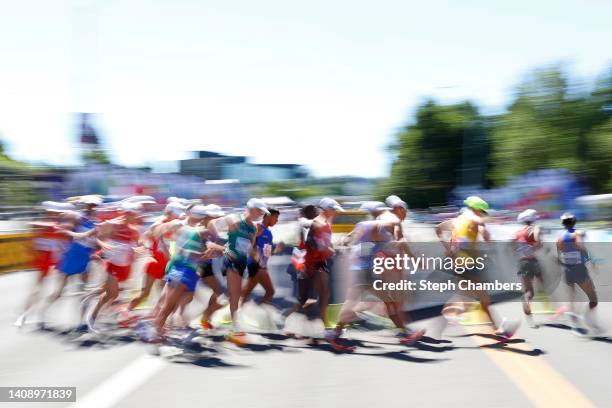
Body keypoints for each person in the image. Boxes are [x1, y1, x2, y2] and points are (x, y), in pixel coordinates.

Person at [329, 202, 424, 351]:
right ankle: (335, 335)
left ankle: (403, 333)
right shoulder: (377, 224)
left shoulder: (362, 225)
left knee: (387, 302)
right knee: (354, 302)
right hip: (363, 271)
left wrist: (346, 249)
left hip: (365, 270)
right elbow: (394, 230)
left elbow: (345, 240)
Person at [436, 196, 519, 338]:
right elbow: (484, 232)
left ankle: (443, 324)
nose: (482, 214)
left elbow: (438, 229)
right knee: (480, 297)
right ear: (476, 209)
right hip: (468, 263)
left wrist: (448, 248)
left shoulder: (456, 220)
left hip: (458, 263)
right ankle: (498, 328)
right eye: (481, 211)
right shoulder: (475, 218)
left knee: (473, 296)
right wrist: (490, 242)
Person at [206, 198, 269, 345]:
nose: (261, 215)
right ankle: (235, 329)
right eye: (260, 211)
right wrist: (217, 244)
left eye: (262, 213)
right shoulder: (234, 219)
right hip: (230, 262)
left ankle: (206, 317)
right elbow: (211, 224)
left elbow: (249, 248)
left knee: (229, 296)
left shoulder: (253, 228)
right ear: (252, 209)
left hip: (241, 263)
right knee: (235, 296)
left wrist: (258, 259)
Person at [14, 202, 74, 327]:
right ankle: (23, 315)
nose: (51, 215)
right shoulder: (43, 227)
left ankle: (43, 312)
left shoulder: (64, 226)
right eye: (49, 212)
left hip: (60, 261)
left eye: (54, 213)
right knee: (38, 289)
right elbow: (32, 234)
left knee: (59, 291)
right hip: (47, 261)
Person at [85, 202, 142, 332]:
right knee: (113, 294)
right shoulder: (113, 225)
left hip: (124, 265)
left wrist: (136, 250)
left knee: (110, 294)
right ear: (127, 214)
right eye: (133, 215)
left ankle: (95, 305)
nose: (136, 217)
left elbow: (137, 245)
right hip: (112, 263)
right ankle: (92, 317)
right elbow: (97, 237)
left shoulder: (134, 230)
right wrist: (102, 244)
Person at [556, 212, 603, 336]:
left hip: (568, 270)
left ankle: (575, 326)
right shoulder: (578, 233)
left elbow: (559, 255)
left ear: (563, 224)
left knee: (572, 298)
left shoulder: (560, 238)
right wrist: (591, 260)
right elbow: (580, 245)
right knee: (593, 299)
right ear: (574, 221)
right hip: (579, 269)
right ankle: (588, 320)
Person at [302, 198, 342, 332]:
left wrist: (333, 248)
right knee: (324, 293)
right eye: (334, 209)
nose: (336, 212)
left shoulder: (326, 222)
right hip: (314, 262)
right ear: (327, 209)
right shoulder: (318, 223)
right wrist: (334, 251)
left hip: (319, 261)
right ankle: (323, 326)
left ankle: (304, 319)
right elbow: (321, 246)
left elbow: (326, 244)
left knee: (320, 295)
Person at [242, 207, 285, 305]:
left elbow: (267, 254)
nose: (277, 221)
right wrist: (255, 256)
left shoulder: (268, 233)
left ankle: (235, 313)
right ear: (268, 216)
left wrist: (277, 249)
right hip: (257, 266)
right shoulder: (258, 227)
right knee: (270, 292)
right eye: (276, 218)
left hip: (260, 266)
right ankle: (263, 316)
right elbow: (248, 245)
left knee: (245, 293)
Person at [513, 209, 543, 327]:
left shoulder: (518, 232)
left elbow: (513, 247)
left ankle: (530, 319)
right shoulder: (534, 229)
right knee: (542, 281)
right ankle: (547, 301)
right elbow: (538, 241)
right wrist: (537, 247)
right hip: (532, 261)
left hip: (522, 262)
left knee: (528, 292)